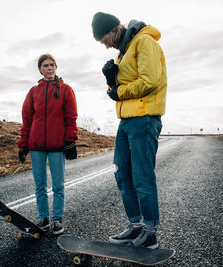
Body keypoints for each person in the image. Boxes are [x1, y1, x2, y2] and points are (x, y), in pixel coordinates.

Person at [91, 12, 167, 249]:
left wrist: (119, 92)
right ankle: (135, 226)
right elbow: (120, 87)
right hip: (126, 119)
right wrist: (111, 80)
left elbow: (150, 81)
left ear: (115, 29)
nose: (106, 46)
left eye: (105, 40)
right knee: (122, 173)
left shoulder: (144, 42)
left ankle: (150, 232)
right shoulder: (123, 52)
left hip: (144, 118)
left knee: (142, 176)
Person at [17, 54, 78, 235]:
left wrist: (70, 142)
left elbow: (71, 118)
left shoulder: (66, 89)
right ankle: (43, 218)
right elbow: (26, 120)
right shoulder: (33, 92)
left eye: (52, 65)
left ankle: (57, 219)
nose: (49, 68)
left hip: (57, 145)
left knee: (58, 185)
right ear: (40, 69)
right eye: (46, 65)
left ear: (56, 67)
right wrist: (23, 144)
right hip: (36, 146)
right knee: (40, 185)